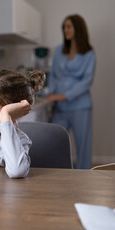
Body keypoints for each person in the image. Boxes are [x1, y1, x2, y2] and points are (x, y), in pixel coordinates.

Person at [47, 14, 96, 169]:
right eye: (64, 27)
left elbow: (86, 81)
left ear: (78, 28)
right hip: (60, 108)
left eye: (69, 26)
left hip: (80, 106)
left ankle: (83, 177)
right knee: (53, 141)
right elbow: (54, 75)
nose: (65, 30)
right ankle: (60, 175)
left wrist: (64, 96)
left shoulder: (89, 53)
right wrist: (51, 94)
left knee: (83, 146)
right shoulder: (59, 50)